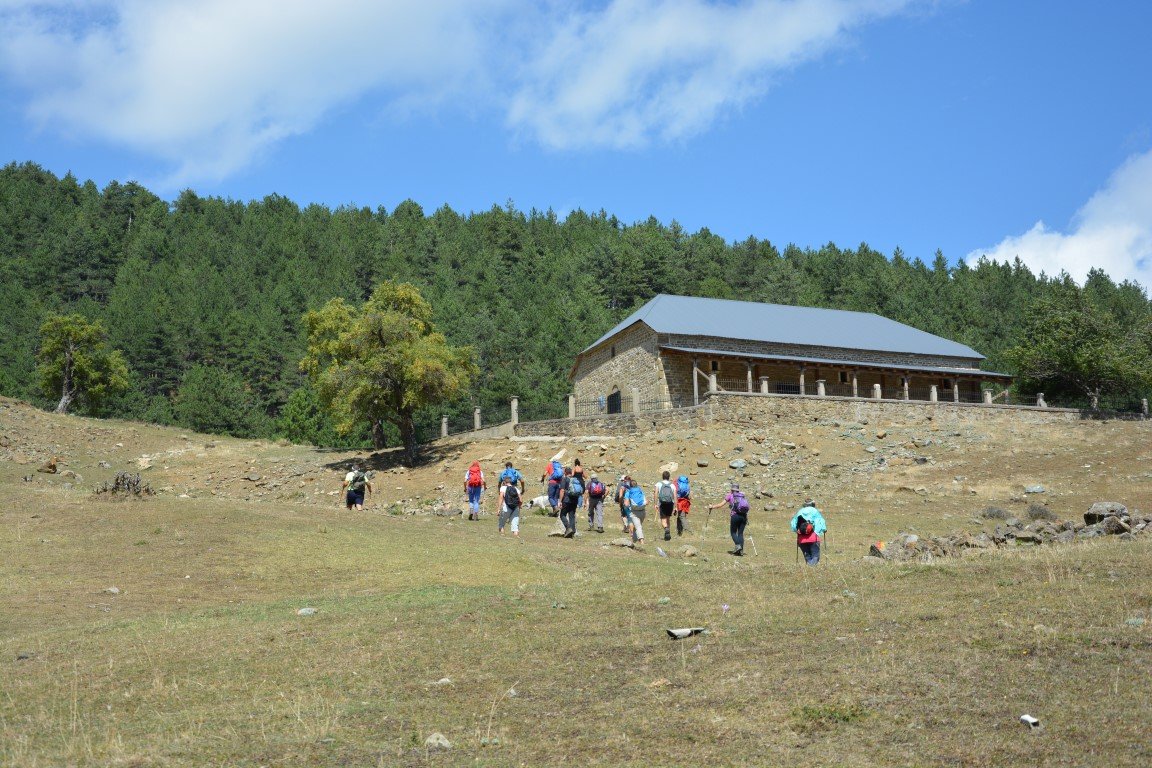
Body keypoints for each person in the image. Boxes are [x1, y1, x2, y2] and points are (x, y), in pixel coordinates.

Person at [708, 482, 750, 556]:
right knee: (740, 533)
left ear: (732, 489)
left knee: (733, 532)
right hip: (743, 516)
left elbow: (721, 504)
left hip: (735, 516)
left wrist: (712, 506)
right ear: (738, 489)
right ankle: (741, 551)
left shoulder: (730, 496)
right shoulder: (742, 495)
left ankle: (738, 546)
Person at [792, 498, 827, 566]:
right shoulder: (814, 511)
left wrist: (797, 531)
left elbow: (793, 525)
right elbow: (820, 522)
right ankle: (811, 568)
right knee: (815, 556)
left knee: (807, 556)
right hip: (814, 538)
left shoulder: (799, 511)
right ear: (812, 504)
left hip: (801, 539)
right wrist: (824, 529)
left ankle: (809, 569)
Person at [557, 466, 583, 538]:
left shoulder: (565, 479)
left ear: (565, 472)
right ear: (571, 472)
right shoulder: (575, 479)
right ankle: (573, 531)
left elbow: (562, 490)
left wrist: (560, 501)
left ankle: (568, 528)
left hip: (566, 500)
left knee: (562, 515)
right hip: (574, 500)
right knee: (571, 515)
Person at [655, 470, 676, 541]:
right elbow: (675, 496)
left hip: (662, 503)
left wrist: (655, 504)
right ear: (669, 477)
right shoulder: (672, 485)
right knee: (668, 519)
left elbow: (655, 494)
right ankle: (668, 535)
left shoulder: (658, 484)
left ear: (662, 477)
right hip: (670, 503)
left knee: (663, 520)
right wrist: (675, 507)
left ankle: (666, 529)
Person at [624, 478, 647, 545]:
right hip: (642, 511)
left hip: (634, 512)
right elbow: (645, 500)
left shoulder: (628, 492)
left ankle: (642, 541)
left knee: (638, 527)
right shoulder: (640, 491)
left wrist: (627, 507)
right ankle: (634, 540)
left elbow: (626, 504)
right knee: (637, 526)